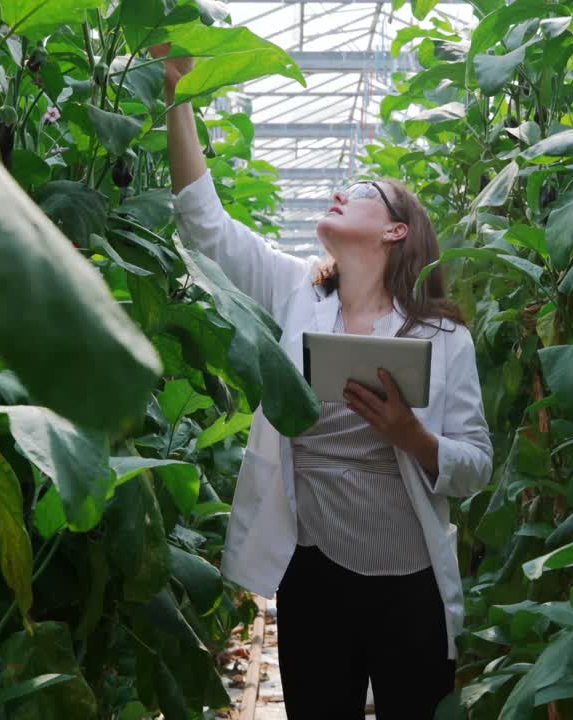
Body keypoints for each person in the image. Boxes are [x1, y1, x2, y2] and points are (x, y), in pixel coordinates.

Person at [152, 44, 494, 719]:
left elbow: (476, 466)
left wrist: (413, 436)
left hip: (411, 588)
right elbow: (206, 228)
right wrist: (177, 95)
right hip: (314, 580)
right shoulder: (296, 295)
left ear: (398, 231)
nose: (342, 192)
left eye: (363, 194)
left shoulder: (441, 336)